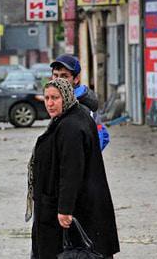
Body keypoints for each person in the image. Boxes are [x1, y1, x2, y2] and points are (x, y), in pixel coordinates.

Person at [26, 78, 119, 258]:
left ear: (66, 97)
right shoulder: (72, 117)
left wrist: (64, 210)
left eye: (55, 98)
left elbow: (71, 171)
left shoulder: (71, 126)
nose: (50, 103)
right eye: (47, 98)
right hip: (73, 204)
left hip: (69, 209)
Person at [50, 54, 110, 150]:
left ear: (76, 79)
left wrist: (81, 159)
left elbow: (101, 136)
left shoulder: (81, 105)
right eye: (55, 75)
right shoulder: (62, 102)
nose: (58, 80)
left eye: (64, 76)